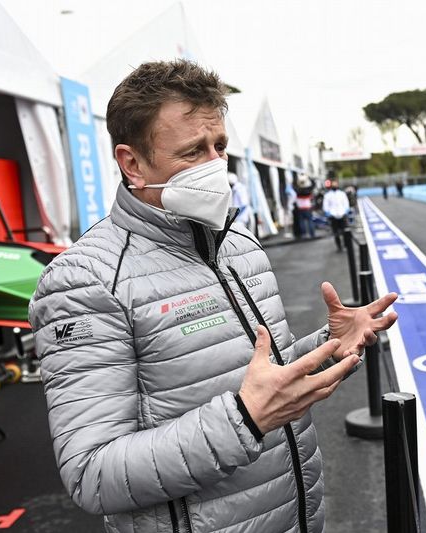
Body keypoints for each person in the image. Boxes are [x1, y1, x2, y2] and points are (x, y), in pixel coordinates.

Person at [28, 59, 398, 533]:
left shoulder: (241, 248)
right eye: (192, 151)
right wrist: (243, 421)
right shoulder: (84, 280)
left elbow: (265, 380)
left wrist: (330, 345)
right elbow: (92, 475)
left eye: (219, 146)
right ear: (132, 163)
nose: (214, 166)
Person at [322, 180, 350, 251]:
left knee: (345, 231)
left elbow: (346, 203)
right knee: (336, 232)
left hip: (342, 214)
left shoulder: (342, 194)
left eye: (336, 184)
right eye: (333, 184)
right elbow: (325, 205)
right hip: (333, 215)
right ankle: (339, 246)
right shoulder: (327, 195)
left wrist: (346, 210)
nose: (334, 185)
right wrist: (328, 212)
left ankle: (346, 245)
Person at [295, 174, 315, 239]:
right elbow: (313, 185)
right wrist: (309, 177)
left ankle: (304, 234)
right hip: (308, 207)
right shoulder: (308, 190)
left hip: (300, 208)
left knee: (302, 222)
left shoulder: (298, 191)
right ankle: (312, 234)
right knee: (310, 221)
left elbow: (293, 186)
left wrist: (296, 179)